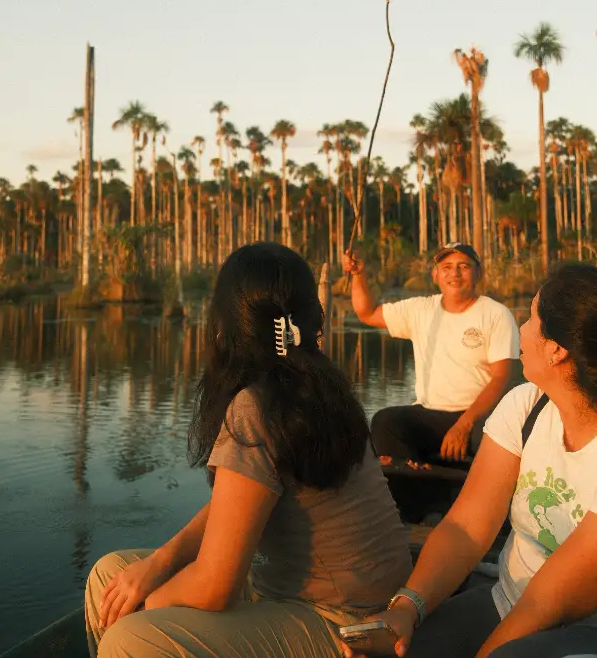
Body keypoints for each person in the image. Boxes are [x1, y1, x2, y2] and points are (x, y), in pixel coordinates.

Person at [86, 242, 412, 658]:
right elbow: (244, 497)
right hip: (340, 598)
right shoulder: (317, 384)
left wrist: (142, 607)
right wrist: (160, 561)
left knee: (130, 637)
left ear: (229, 325)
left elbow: (215, 585)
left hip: (348, 623)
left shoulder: (255, 405)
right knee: (110, 576)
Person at [343, 263, 597, 658]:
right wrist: (407, 607)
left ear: (557, 349)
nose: (521, 330)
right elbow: (465, 527)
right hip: (506, 601)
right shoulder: (526, 407)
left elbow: (548, 602)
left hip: (580, 626)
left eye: (530, 318)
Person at [342, 242, 519, 464]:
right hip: (431, 413)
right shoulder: (421, 310)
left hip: (479, 417)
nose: (454, 273)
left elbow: (502, 377)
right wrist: (358, 275)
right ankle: (412, 477)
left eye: (463, 266)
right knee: (384, 422)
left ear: (478, 273)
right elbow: (367, 313)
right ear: (435, 275)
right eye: (446, 267)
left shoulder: (496, 314)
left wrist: (464, 425)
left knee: (496, 441)